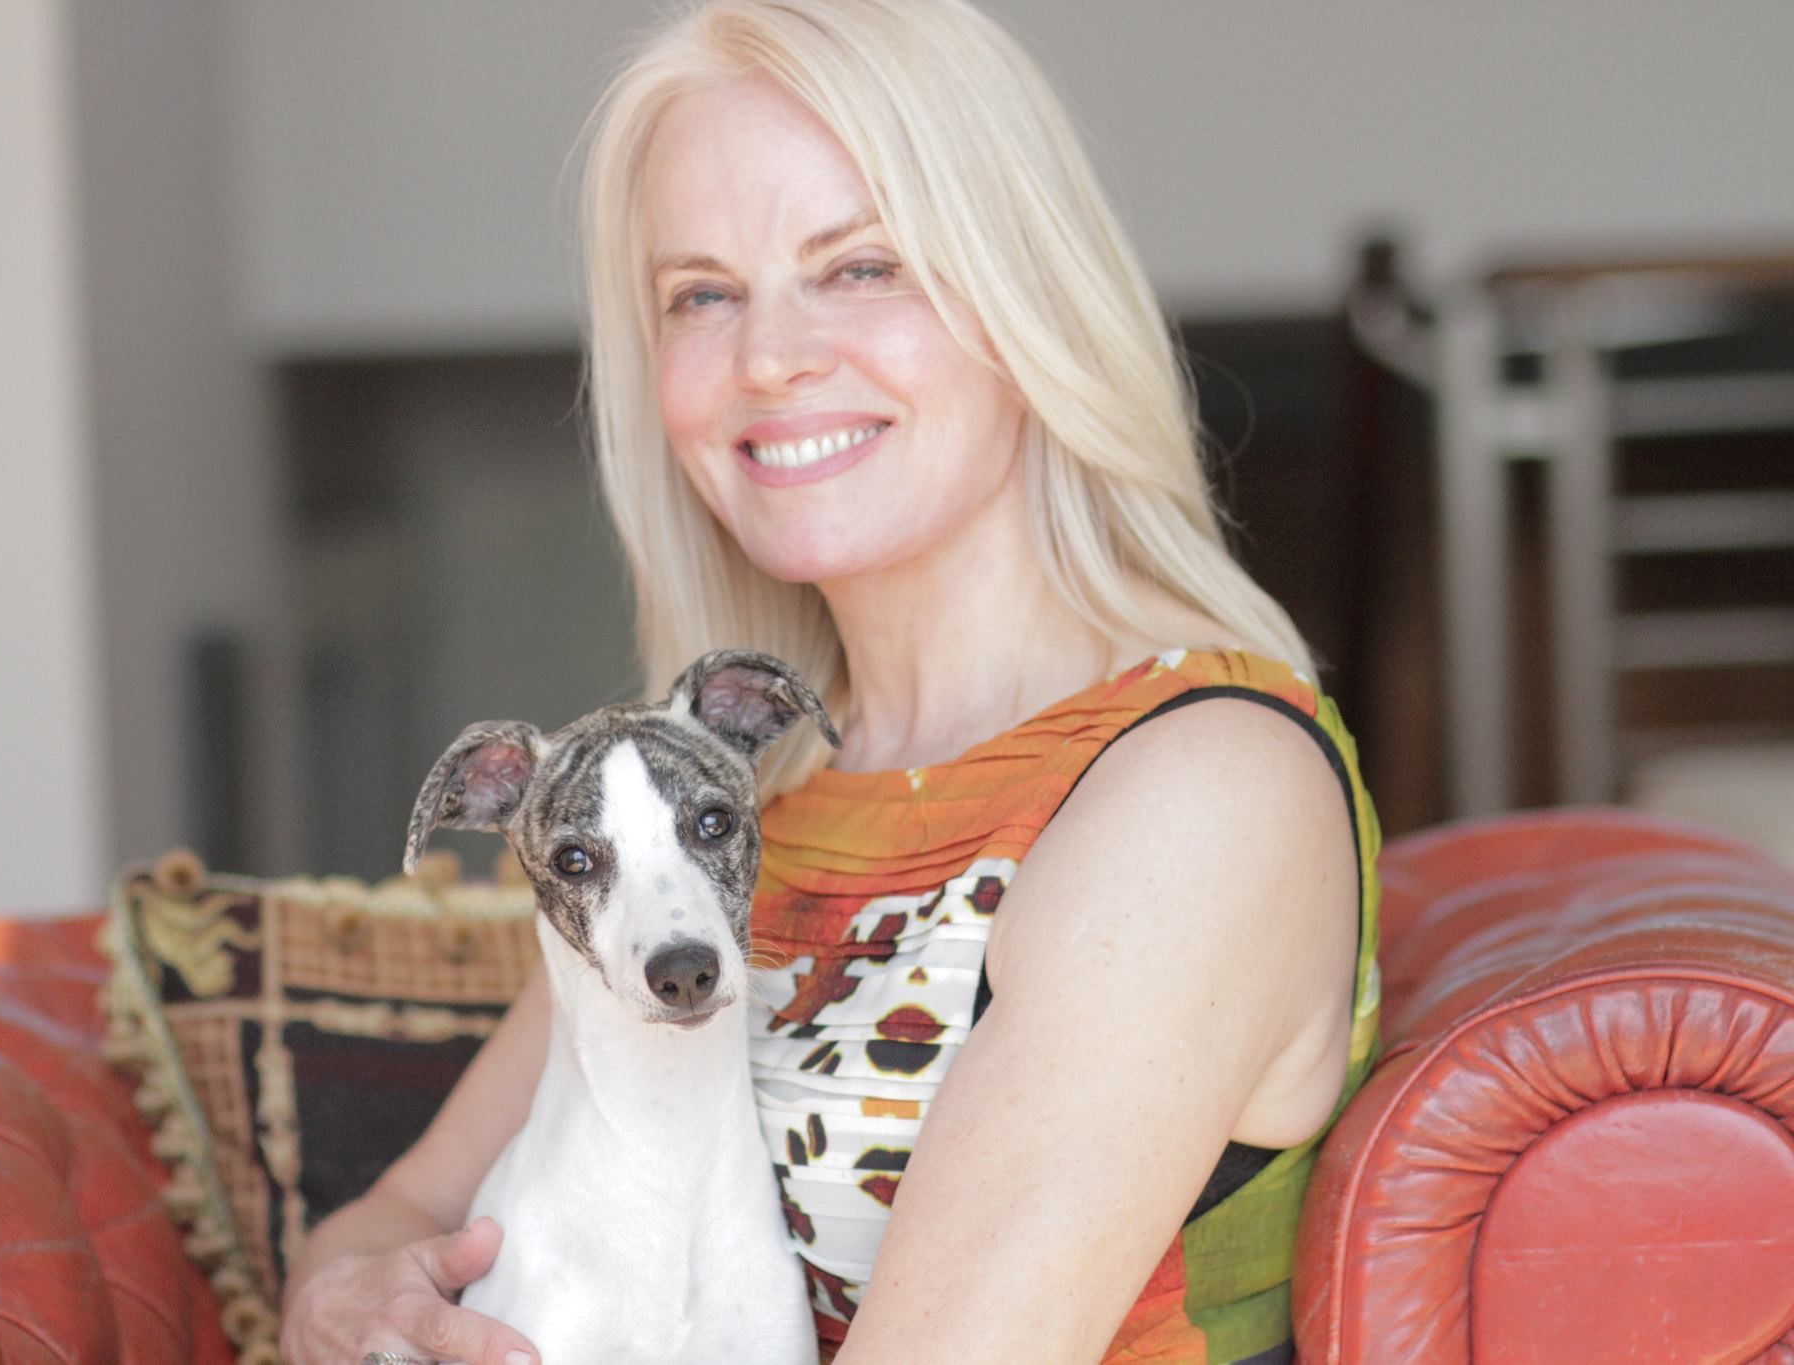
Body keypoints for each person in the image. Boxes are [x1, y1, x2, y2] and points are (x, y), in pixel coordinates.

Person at [281, 1, 1381, 1361]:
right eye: (703, 293)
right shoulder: (733, 808)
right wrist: (343, 1303)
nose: (768, 358)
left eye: (860, 267)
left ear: (1024, 296)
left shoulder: (1202, 785)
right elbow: (399, 1215)